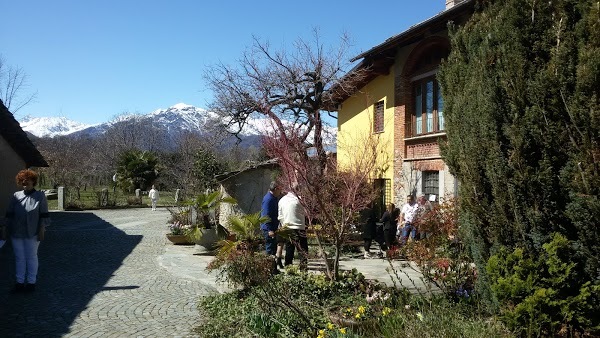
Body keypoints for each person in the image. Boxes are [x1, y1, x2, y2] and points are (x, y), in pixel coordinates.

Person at [5, 169, 50, 293]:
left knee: (31, 257)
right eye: (22, 180)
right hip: (17, 232)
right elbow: (9, 214)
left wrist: (42, 229)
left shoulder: (40, 196)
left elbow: (44, 215)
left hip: (33, 232)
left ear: (33, 181)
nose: (25, 181)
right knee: (19, 258)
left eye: (28, 179)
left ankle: (31, 282)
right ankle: (19, 282)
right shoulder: (16, 196)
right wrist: (5, 228)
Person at [278, 184, 308, 269]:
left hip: (288, 228)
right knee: (302, 250)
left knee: (289, 249)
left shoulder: (282, 200)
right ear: (298, 190)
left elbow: (280, 216)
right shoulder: (300, 199)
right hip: (300, 227)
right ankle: (303, 269)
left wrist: (284, 224)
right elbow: (306, 213)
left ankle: (288, 268)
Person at [260, 181, 284, 271]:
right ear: (276, 189)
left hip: (273, 228)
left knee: (273, 250)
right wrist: (269, 229)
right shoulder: (269, 199)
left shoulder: (273, 198)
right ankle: (269, 270)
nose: (280, 192)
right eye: (279, 190)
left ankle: (273, 269)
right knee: (270, 250)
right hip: (269, 229)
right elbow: (266, 215)